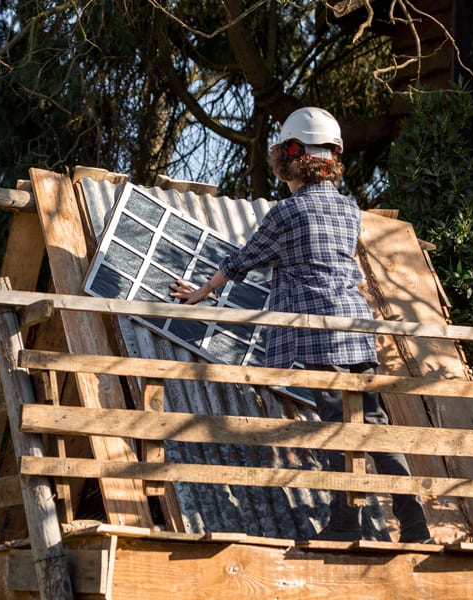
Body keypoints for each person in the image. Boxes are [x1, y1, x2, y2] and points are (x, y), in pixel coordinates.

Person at [170, 107, 431, 544]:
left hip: (318, 334)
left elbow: (243, 260)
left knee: (335, 428)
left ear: (291, 155)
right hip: (355, 329)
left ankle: (347, 524)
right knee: (375, 426)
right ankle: (415, 524)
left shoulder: (286, 214)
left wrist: (203, 291)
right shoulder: (349, 210)